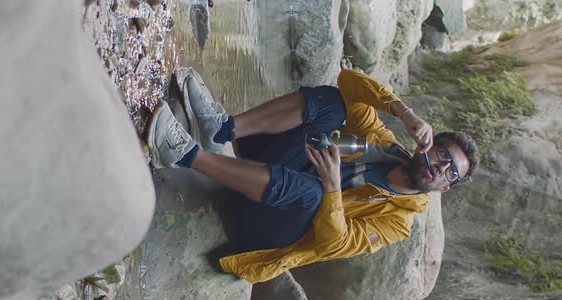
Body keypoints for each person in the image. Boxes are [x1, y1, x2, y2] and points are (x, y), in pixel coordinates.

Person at [147, 68, 479, 284]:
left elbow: (334, 244)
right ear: (430, 144)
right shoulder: (385, 146)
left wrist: (333, 188)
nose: (440, 167)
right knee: (334, 105)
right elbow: (348, 82)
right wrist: (401, 111)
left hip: (270, 228)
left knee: (314, 194)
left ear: (445, 187)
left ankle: (185, 155)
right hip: (266, 172)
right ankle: (223, 129)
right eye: (443, 155)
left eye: (450, 171)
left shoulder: (397, 222)